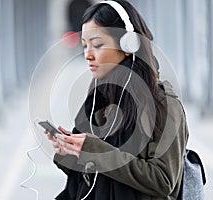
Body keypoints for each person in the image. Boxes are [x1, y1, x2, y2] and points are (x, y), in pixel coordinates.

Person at [45, 1, 189, 199]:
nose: (88, 55)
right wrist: (70, 150)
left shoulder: (163, 104)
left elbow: (163, 181)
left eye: (97, 45)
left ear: (128, 44)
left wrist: (94, 150)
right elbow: (90, 176)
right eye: (85, 46)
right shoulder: (97, 97)